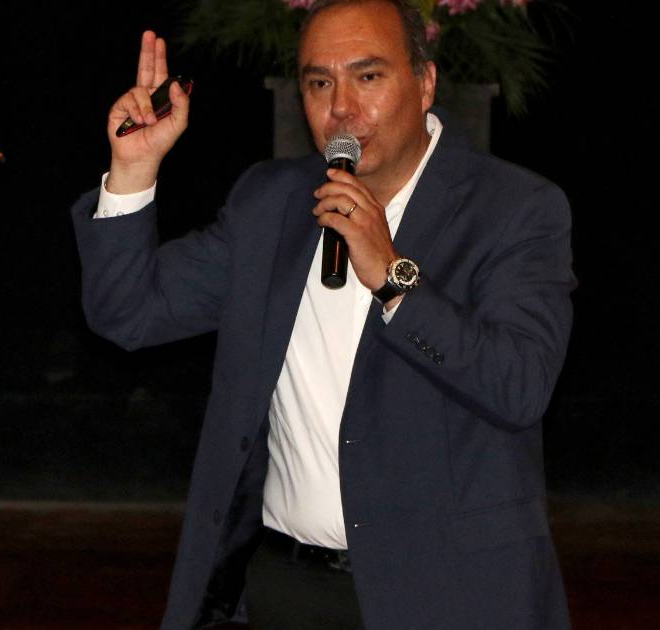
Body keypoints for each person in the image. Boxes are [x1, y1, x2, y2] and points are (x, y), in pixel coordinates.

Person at [70, 0, 575, 628]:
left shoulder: (514, 209)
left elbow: (519, 386)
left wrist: (393, 278)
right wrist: (133, 169)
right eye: (318, 83)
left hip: (447, 594)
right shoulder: (271, 203)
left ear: (425, 83)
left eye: (368, 76)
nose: (341, 107)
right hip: (287, 587)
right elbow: (129, 313)